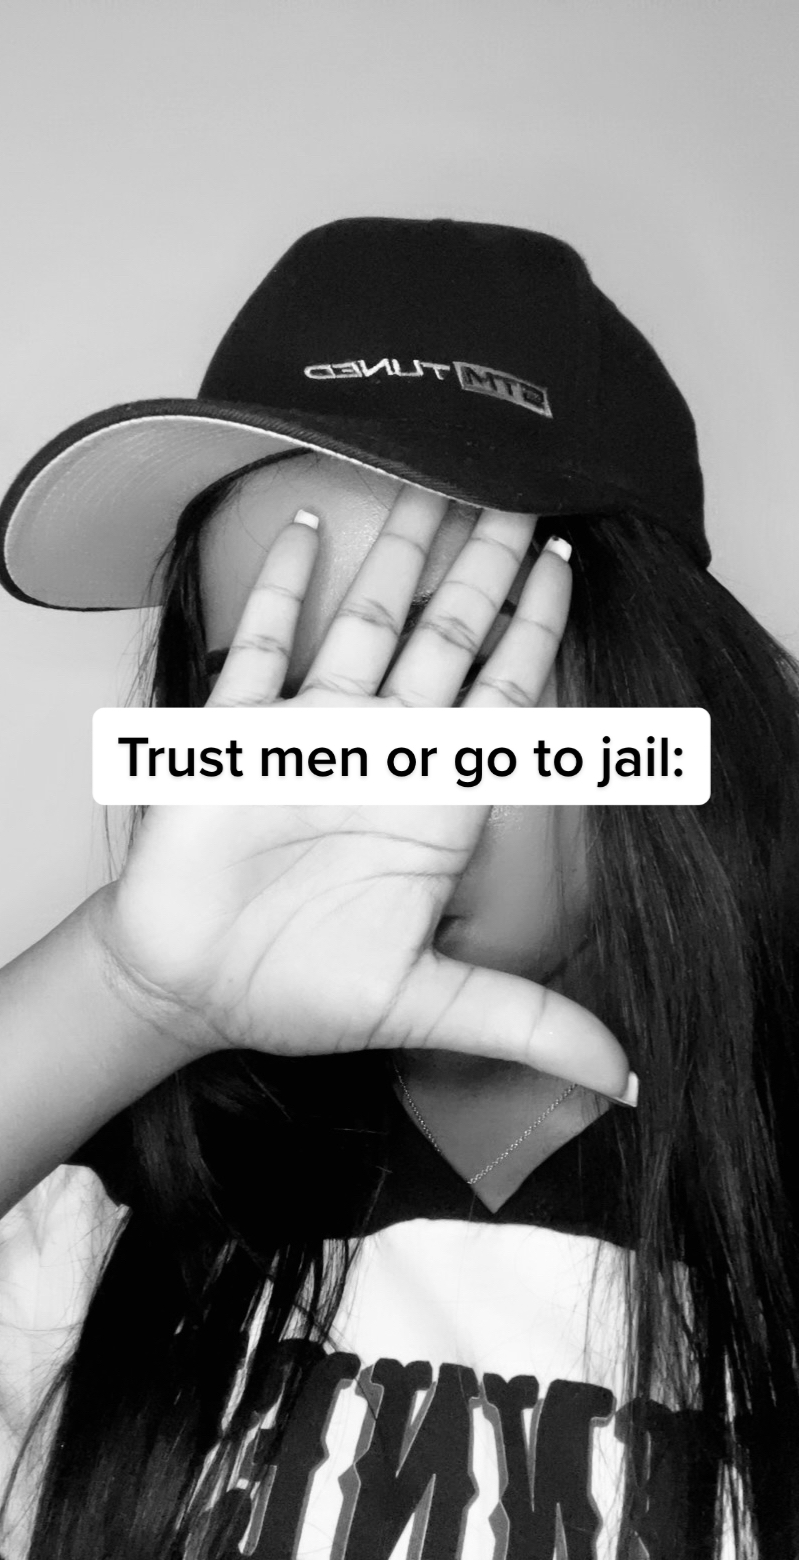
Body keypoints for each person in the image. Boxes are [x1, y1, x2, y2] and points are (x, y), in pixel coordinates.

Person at [0, 217, 797, 1560]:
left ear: (658, 681)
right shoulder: (95, 1196)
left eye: (453, 655)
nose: (357, 767)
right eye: (271, 686)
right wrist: (125, 996)